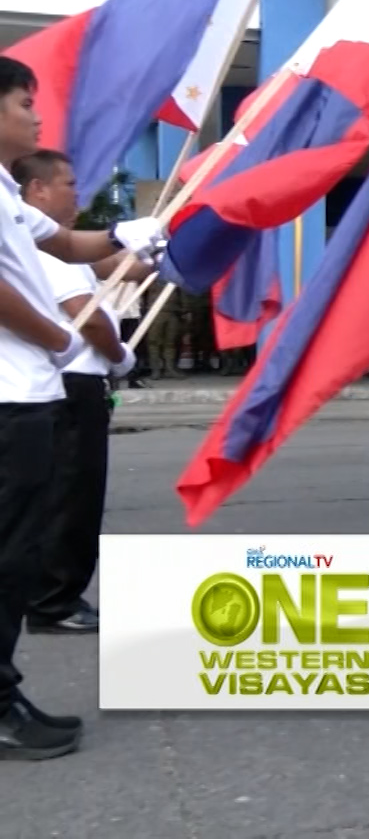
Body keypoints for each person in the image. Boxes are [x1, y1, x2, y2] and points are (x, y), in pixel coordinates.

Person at [0, 57, 165, 759]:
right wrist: (60, 339)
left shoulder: (7, 193)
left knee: (18, 554)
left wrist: (126, 235)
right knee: (7, 559)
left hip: (29, 395)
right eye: (24, 103)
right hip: (9, 400)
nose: (37, 117)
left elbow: (64, 243)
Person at [15, 151, 143, 637]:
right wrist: (119, 356)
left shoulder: (46, 243)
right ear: (37, 191)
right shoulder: (45, 245)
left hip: (64, 385)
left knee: (61, 496)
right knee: (73, 497)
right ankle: (55, 601)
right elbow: (86, 315)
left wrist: (155, 249)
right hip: (75, 383)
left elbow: (117, 266)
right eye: (67, 183)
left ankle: (49, 595)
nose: (77, 192)